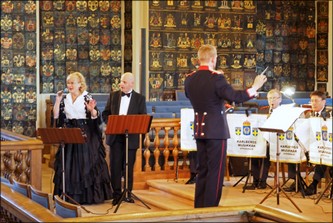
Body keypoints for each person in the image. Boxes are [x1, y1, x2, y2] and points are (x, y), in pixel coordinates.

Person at [184, 44, 267, 208]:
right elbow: (236, 97)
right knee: (215, 172)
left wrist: (218, 102)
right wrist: (255, 87)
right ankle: (210, 208)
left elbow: (194, 96)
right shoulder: (216, 78)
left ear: (199, 58)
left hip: (200, 130)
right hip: (216, 131)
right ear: (214, 59)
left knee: (203, 171)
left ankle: (199, 206)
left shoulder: (189, 79)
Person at [53, 72, 112, 204]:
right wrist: (57, 101)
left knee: (86, 164)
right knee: (68, 165)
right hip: (70, 134)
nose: (70, 85)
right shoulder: (65, 98)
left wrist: (92, 111)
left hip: (86, 135)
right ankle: (69, 196)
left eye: (72, 82)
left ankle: (88, 197)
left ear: (80, 84)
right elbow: (57, 116)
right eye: (68, 83)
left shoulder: (87, 97)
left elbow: (96, 117)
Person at [102, 72, 147, 205]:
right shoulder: (113, 96)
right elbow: (105, 113)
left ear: (132, 83)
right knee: (115, 166)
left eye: (124, 82)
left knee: (128, 166)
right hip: (115, 137)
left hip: (131, 138)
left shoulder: (140, 98)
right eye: (121, 81)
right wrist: (112, 122)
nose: (121, 84)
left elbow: (142, 117)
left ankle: (127, 193)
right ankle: (116, 194)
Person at [251, 89, 281, 189]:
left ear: (280, 99)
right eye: (269, 98)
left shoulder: (283, 113)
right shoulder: (262, 110)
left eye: (274, 98)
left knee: (266, 152)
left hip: (276, 141)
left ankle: (262, 181)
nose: (271, 100)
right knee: (253, 151)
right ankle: (255, 180)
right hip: (262, 139)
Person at [304, 90, 332, 196]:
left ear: (324, 102)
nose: (313, 103)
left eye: (316, 100)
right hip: (310, 146)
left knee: (322, 154)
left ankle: (314, 184)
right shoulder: (308, 115)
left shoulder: (329, 115)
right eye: (312, 101)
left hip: (326, 147)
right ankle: (296, 181)